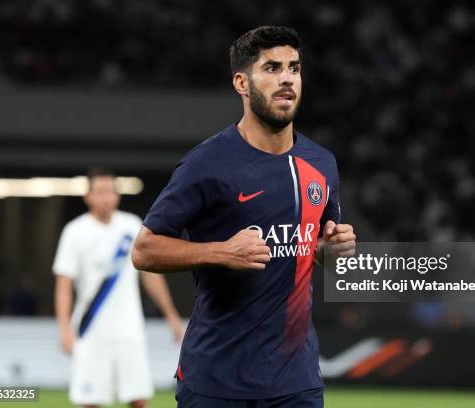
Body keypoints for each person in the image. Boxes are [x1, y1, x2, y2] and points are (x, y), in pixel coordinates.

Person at [132, 26, 356, 407]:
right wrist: (221, 252)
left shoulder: (321, 163)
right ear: (241, 82)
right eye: (271, 68)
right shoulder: (207, 163)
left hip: (296, 380)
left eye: (294, 68)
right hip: (216, 380)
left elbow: (316, 246)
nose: (286, 78)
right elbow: (144, 250)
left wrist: (333, 249)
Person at [53, 168, 184, 408]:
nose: (107, 197)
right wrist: (64, 329)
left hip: (129, 329)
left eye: (112, 191)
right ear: (88, 196)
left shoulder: (132, 226)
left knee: (138, 399)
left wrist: (171, 315)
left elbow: (150, 277)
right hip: (90, 330)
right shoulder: (74, 232)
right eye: (101, 192)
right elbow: (64, 284)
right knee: (89, 400)